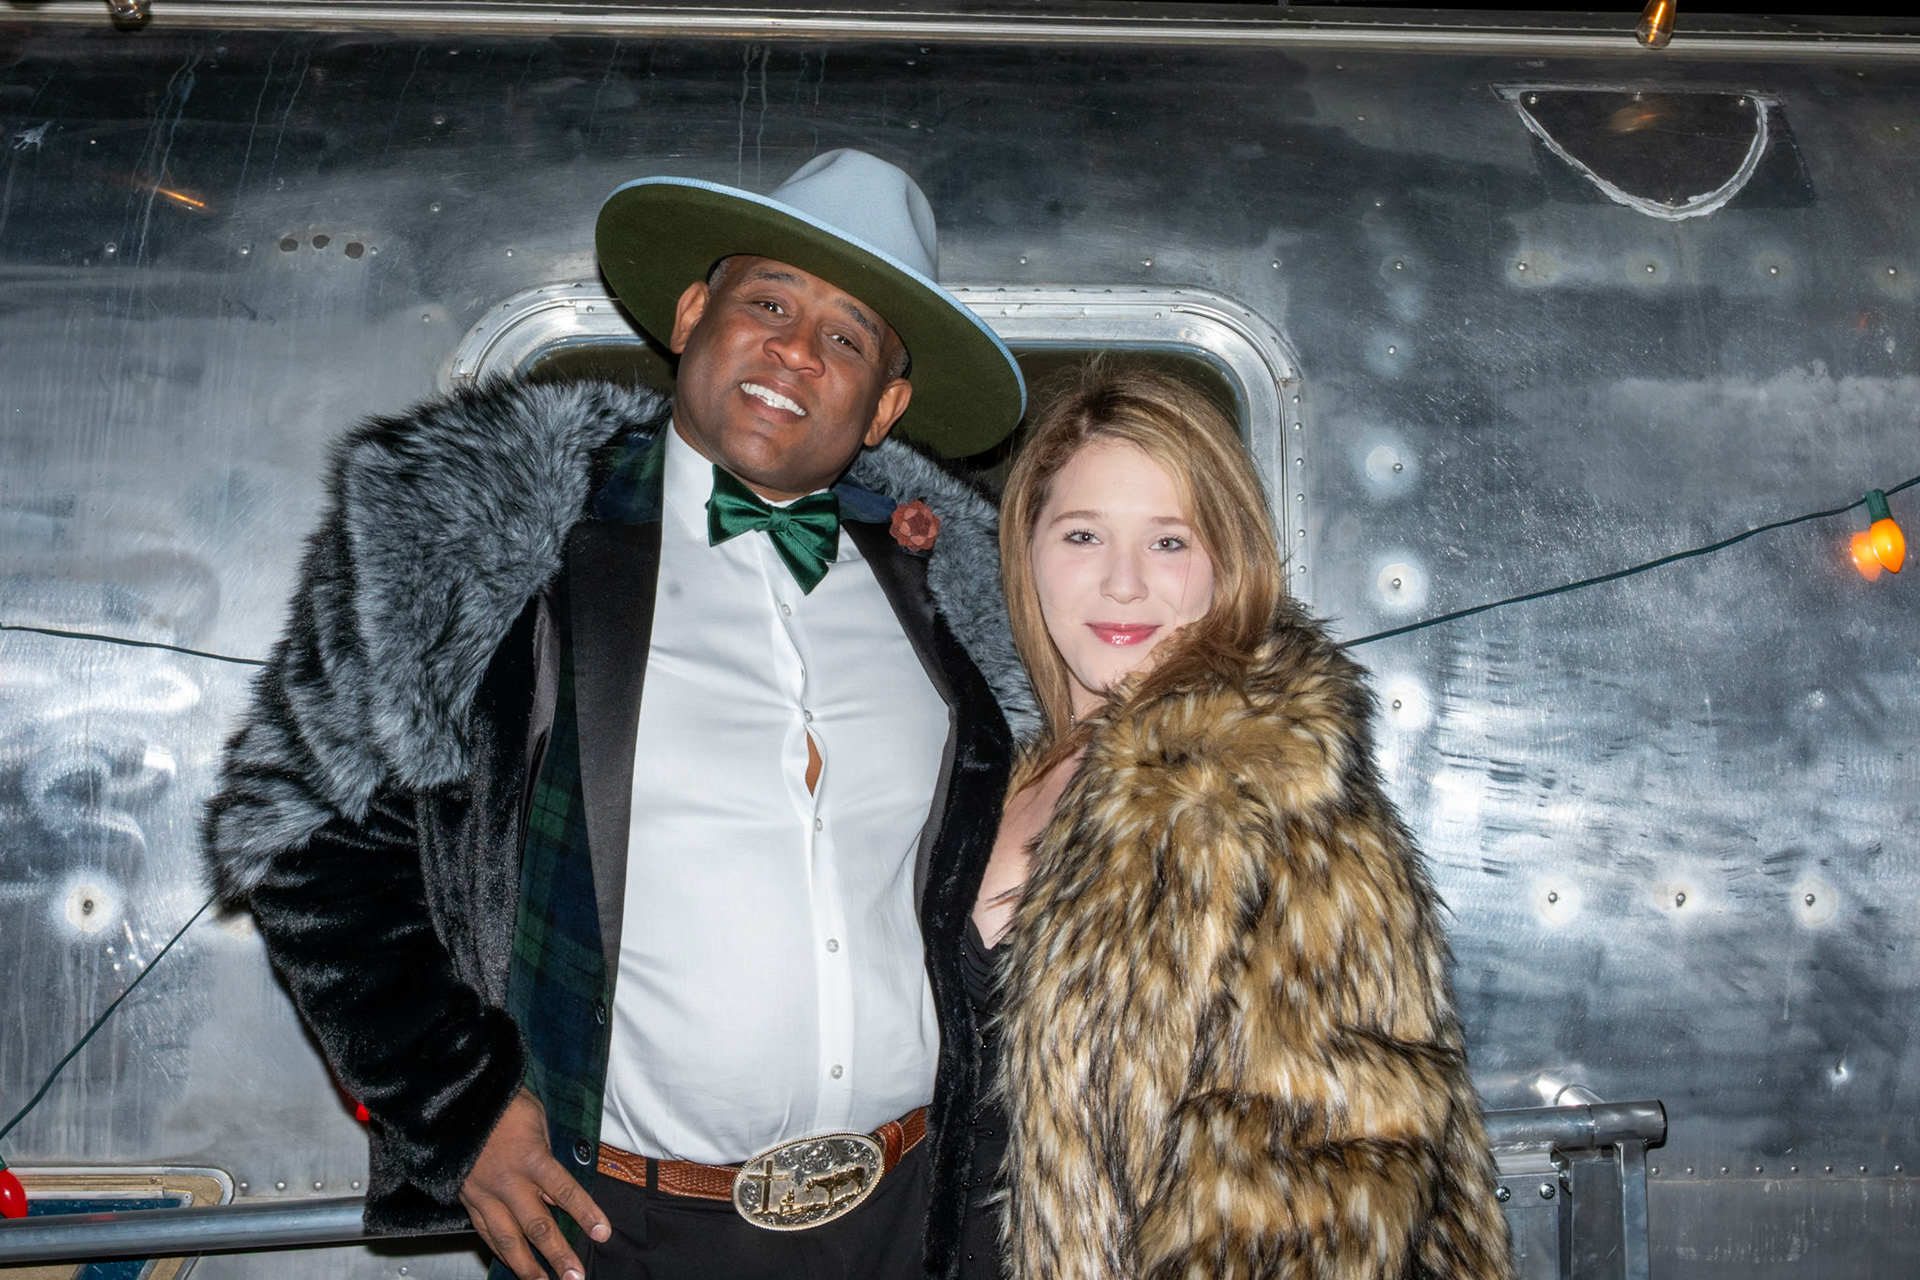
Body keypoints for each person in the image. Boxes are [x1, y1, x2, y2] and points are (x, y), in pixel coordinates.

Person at [202, 149, 1040, 1280]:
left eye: (847, 338)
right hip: (626, 1228)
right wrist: (460, 1108)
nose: (797, 350)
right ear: (694, 315)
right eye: (770, 304)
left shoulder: (950, 594)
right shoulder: (492, 544)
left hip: (917, 1210)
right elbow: (309, 838)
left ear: (886, 406)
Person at [937, 365, 1514, 1280]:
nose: (1123, 583)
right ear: (1027, 550)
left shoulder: (1264, 799)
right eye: (1082, 534)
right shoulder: (1001, 775)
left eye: (1169, 541)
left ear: (1226, 562)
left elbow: (1313, 1203)